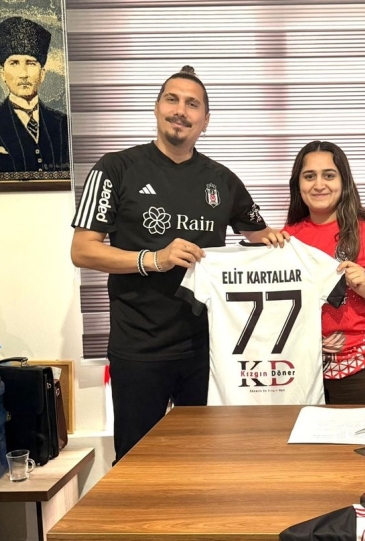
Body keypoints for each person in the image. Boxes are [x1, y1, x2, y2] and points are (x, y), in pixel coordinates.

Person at [70, 65, 287, 462]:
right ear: (157, 107)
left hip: (206, 348)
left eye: (192, 104)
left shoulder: (222, 180)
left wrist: (296, 247)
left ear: (205, 120)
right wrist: (155, 259)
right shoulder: (115, 168)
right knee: (136, 463)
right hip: (139, 347)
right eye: (172, 99)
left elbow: (261, 234)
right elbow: (82, 250)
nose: (181, 111)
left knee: (203, 460)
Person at [283, 140, 365, 404]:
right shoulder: (287, 239)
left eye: (329, 175)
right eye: (309, 176)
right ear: (298, 184)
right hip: (301, 370)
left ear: (344, 181)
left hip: (363, 370)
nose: (319, 185)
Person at [0, 17, 70, 176]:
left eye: (31, 63)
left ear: (42, 73)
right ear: (2, 73)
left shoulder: (64, 124)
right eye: (14, 63)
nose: (23, 74)